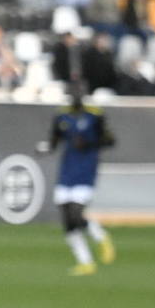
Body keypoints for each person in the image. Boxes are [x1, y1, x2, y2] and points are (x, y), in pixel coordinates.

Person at [37, 84, 116, 276]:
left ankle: (100, 236)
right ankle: (85, 262)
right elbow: (54, 141)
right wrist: (45, 148)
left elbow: (110, 140)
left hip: (86, 169)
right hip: (67, 170)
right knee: (67, 219)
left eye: (78, 94)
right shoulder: (61, 116)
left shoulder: (95, 115)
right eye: (72, 95)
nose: (75, 98)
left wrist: (88, 143)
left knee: (75, 213)